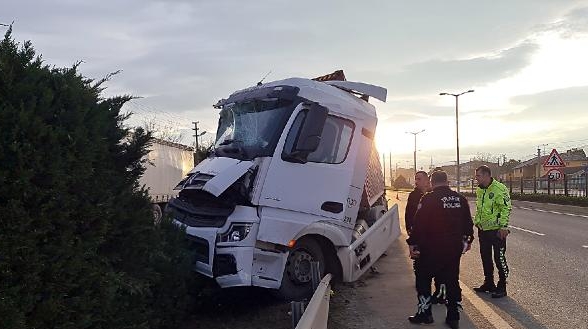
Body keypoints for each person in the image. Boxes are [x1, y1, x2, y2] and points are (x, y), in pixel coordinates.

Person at [407, 170, 474, 329]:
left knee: (423, 280)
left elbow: (419, 225)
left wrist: (412, 243)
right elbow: (468, 224)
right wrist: (468, 240)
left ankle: (425, 314)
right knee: (451, 280)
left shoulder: (428, 199)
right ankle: (453, 316)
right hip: (453, 249)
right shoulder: (460, 199)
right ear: (447, 181)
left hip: (431, 249)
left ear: (432, 182)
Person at [473, 165, 512, 298]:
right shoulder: (480, 190)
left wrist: (503, 226)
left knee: (499, 258)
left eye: (478, 175)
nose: (476, 178)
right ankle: (489, 282)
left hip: (496, 231)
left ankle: (502, 286)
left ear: (486, 175)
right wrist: (477, 222)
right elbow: (480, 208)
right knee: (485, 257)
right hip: (483, 230)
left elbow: (506, 208)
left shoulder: (499, 189)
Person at [405, 171, 445, 303]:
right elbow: (409, 215)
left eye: (419, 179)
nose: (416, 182)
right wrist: (410, 231)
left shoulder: (435, 194)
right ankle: (424, 295)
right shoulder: (413, 195)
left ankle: (439, 294)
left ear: (427, 180)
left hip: (436, 238)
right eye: (415, 179)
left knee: (439, 267)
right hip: (420, 237)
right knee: (420, 266)